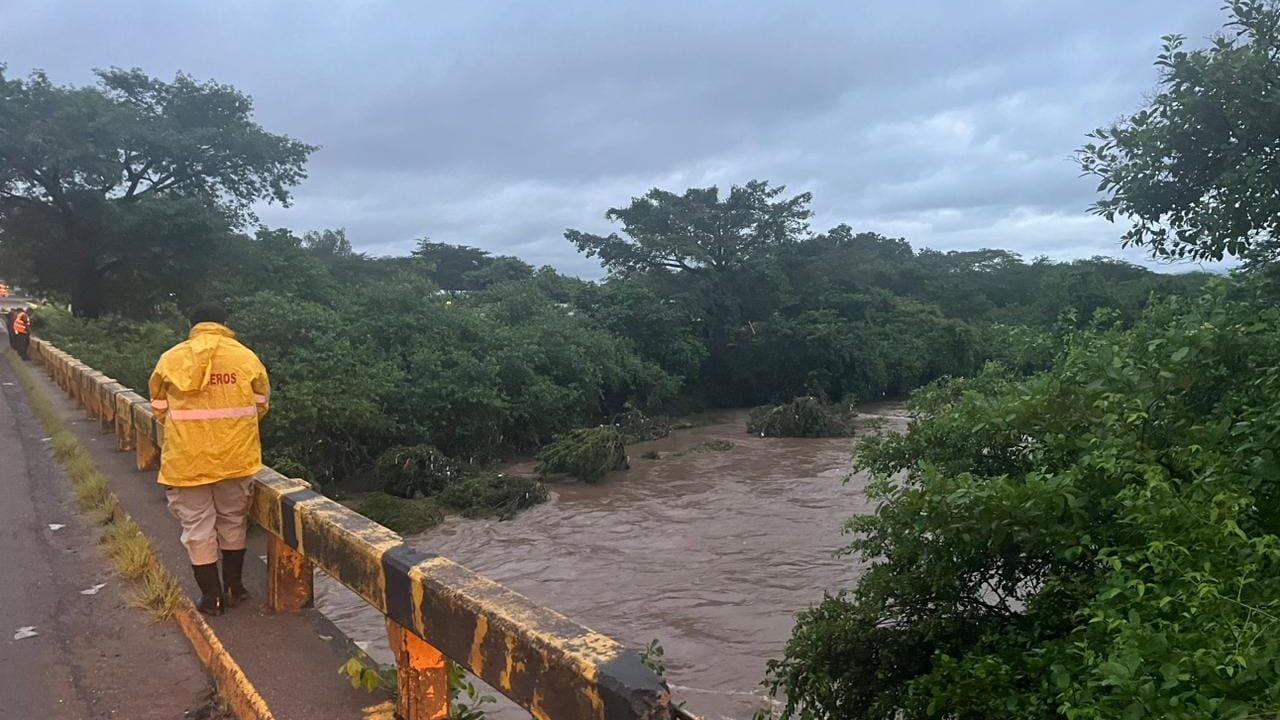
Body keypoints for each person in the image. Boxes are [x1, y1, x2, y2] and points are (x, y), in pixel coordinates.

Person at [149, 303, 270, 616]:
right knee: (233, 518)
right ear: (224, 323)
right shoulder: (245, 356)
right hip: (235, 456)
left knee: (197, 526)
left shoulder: (171, 358)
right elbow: (261, 403)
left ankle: (211, 598)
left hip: (186, 461)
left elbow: (159, 407)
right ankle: (235, 588)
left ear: (191, 324)